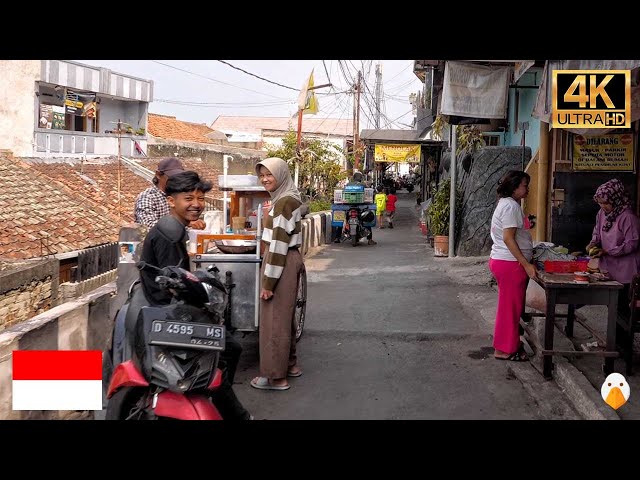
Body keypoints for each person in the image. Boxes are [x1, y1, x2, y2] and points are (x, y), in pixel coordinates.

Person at [137, 170, 252, 420]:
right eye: (188, 198)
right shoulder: (169, 233)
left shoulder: (175, 228)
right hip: (168, 315)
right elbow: (174, 283)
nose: (196, 204)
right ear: (171, 201)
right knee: (228, 348)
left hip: (169, 310)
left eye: (200, 199)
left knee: (229, 346)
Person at [250, 157, 305, 391]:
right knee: (285, 317)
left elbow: (278, 246)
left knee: (273, 321)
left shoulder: (282, 204)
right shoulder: (289, 198)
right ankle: (290, 365)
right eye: (262, 175)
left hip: (280, 262)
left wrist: (268, 283)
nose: (265, 179)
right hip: (290, 260)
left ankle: (275, 377)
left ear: (281, 175)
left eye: (269, 174)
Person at [488, 170, 537, 362]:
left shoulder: (508, 204)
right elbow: (508, 238)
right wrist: (525, 264)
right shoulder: (510, 207)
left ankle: (508, 345)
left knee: (510, 308)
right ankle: (504, 349)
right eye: (525, 185)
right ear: (514, 187)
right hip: (510, 263)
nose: (527, 189)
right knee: (510, 309)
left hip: (507, 261)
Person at [586, 179, 640, 319]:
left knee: (622, 309)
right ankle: (613, 340)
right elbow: (597, 232)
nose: (603, 206)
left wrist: (608, 251)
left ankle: (621, 341)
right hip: (609, 269)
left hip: (626, 270)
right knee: (612, 307)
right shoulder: (601, 213)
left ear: (616, 199)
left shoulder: (628, 217)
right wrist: (593, 243)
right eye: (600, 203)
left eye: (606, 203)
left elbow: (632, 243)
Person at [134, 157, 206, 230]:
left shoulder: (180, 196)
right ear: (158, 175)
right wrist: (185, 223)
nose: (176, 180)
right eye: (172, 177)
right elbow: (147, 226)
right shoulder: (147, 197)